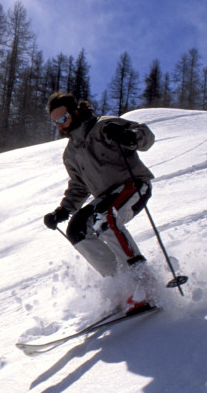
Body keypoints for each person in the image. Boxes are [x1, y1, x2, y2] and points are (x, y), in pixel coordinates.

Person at [43, 91, 156, 315]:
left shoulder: (103, 126)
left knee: (105, 217)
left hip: (132, 186)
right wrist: (63, 210)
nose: (60, 125)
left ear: (75, 111)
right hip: (105, 198)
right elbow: (79, 186)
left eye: (63, 118)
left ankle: (143, 280)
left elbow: (145, 135)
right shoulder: (71, 153)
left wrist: (128, 135)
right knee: (77, 229)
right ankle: (120, 284)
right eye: (55, 122)